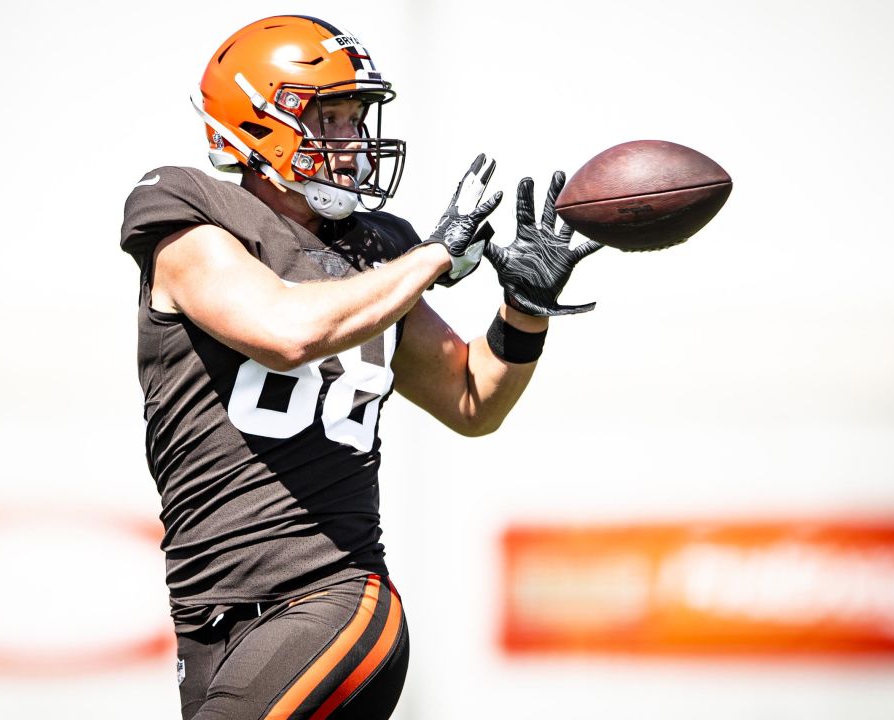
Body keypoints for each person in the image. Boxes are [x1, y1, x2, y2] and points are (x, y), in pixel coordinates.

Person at [120, 15, 601, 720]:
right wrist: (432, 256)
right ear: (257, 124)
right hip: (209, 618)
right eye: (331, 118)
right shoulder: (191, 220)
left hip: (334, 599)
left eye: (355, 118)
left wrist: (523, 311)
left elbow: (472, 400)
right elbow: (284, 330)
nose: (352, 142)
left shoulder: (382, 251)